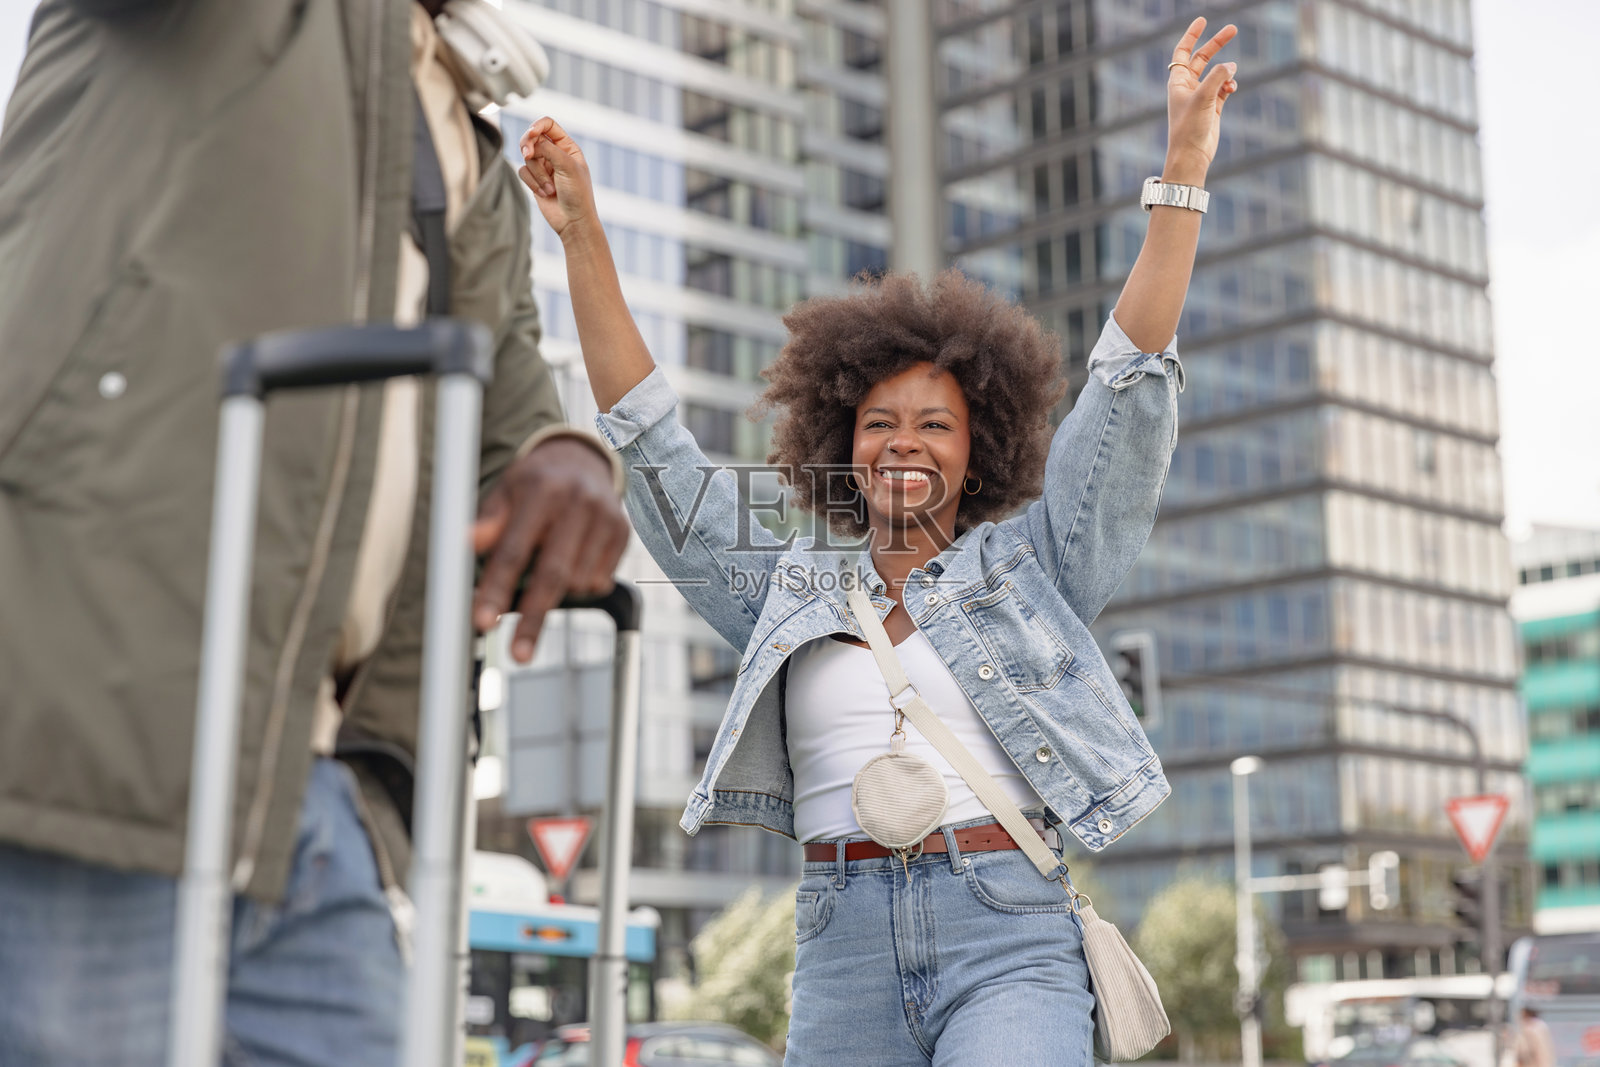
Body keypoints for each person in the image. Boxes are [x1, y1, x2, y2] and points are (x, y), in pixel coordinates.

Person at [517, 15, 1237, 1064]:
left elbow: (1123, 392)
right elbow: (653, 446)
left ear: (977, 443)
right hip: (837, 937)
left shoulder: (1032, 563)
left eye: (934, 422)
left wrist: (1179, 170)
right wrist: (582, 232)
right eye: (879, 421)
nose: (905, 443)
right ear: (839, 440)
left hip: (1009, 931)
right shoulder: (784, 581)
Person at [0, 1, 628, 1063]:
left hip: (322, 783)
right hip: (95, 712)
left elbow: (507, 393)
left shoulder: (456, 121)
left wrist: (563, 459)